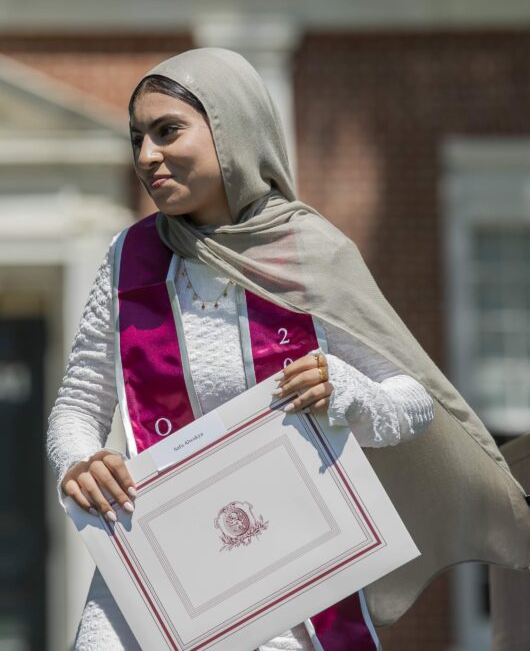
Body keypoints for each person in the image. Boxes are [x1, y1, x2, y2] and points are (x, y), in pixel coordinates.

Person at [47, 47, 530, 651]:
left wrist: (348, 392)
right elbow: (78, 403)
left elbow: (415, 402)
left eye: (168, 131)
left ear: (230, 129)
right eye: (137, 137)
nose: (147, 157)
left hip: (292, 578)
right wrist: (78, 460)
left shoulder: (313, 253)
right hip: (155, 567)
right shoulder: (128, 257)